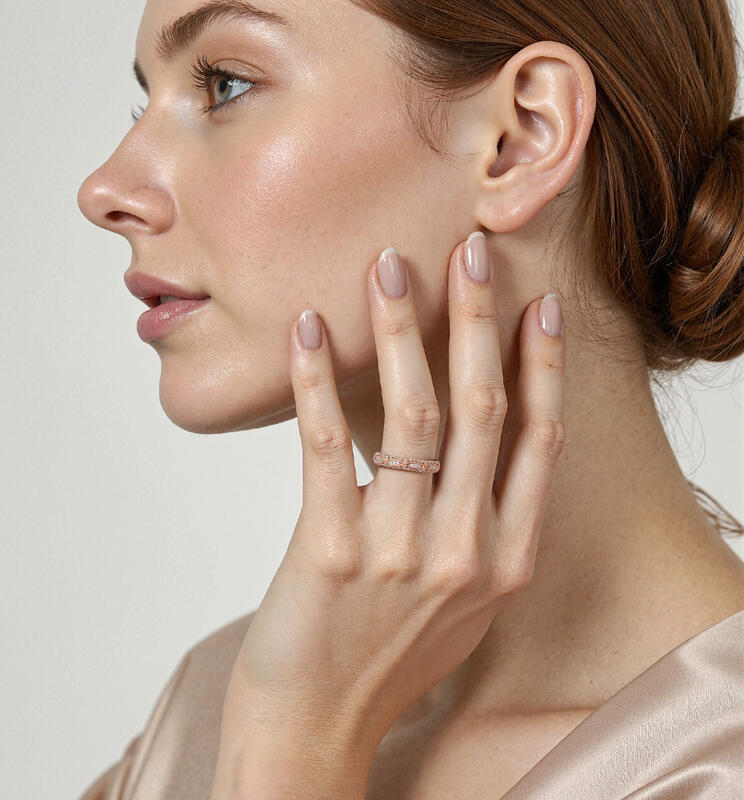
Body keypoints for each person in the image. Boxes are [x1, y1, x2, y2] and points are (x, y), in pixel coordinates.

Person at [76, 0, 744, 797]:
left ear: (522, 137)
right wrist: (291, 720)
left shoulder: (715, 764)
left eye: (225, 84)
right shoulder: (214, 708)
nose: (105, 190)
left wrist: (298, 747)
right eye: (144, 102)